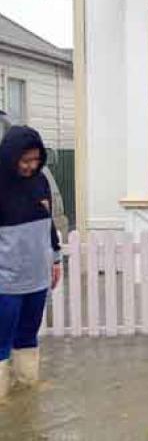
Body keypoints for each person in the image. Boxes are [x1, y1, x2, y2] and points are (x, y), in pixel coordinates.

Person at [0, 126, 62, 400]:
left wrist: (56, 260)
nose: (31, 166)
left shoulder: (41, 181)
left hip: (37, 277)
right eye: (25, 161)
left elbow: (49, 225)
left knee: (28, 336)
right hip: (6, 281)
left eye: (36, 160)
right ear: (11, 157)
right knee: (2, 341)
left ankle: (26, 394)